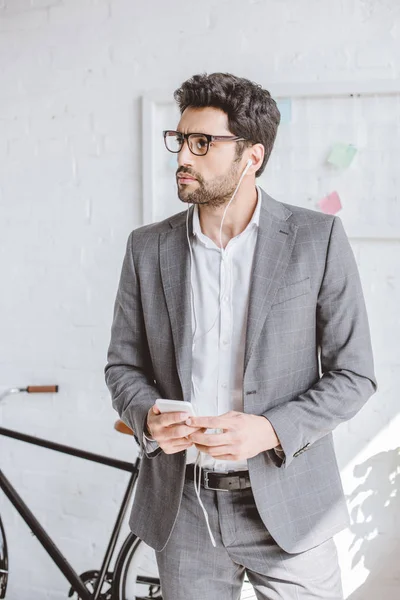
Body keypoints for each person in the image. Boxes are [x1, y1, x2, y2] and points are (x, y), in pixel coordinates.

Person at [105, 72, 377, 600]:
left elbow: (355, 374)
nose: (183, 155)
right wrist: (147, 415)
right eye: (181, 139)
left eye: (202, 143)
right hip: (183, 509)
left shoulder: (316, 239)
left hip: (292, 507)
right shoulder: (146, 247)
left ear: (251, 156)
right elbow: (121, 365)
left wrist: (270, 430)